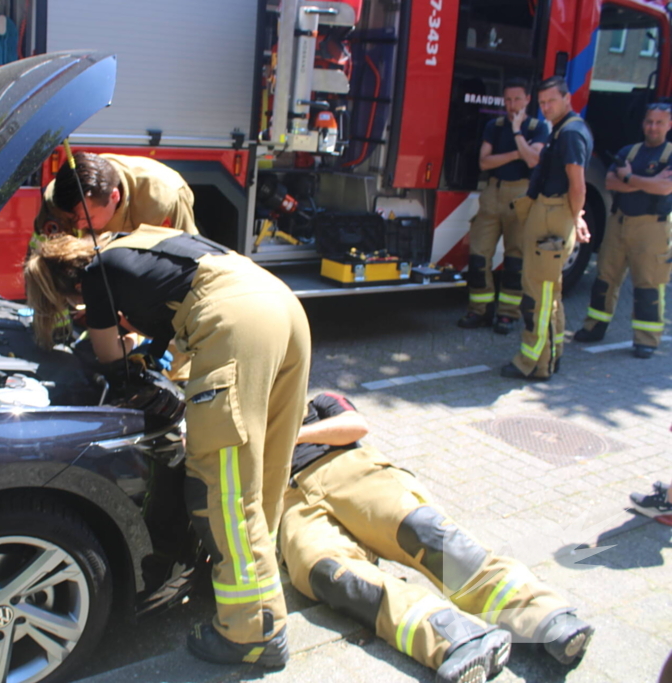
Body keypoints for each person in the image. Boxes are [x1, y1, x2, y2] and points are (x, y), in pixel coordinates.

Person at [24, 226, 311, 667]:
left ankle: (253, 633)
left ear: (68, 289)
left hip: (236, 324)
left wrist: (113, 353)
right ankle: (250, 592)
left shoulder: (95, 276)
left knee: (220, 485)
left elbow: (110, 357)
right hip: (282, 308)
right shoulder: (129, 241)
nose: (76, 310)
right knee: (263, 472)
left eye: (71, 306)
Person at [280, 392, 594, 683]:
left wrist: (288, 435)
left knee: (425, 534)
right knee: (327, 573)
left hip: (347, 469)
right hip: (289, 502)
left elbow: (355, 425)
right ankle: (453, 637)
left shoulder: (320, 402)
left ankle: (541, 615)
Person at [501, 75, 593, 381]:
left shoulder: (570, 135)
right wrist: (575, 217)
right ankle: (552, 356)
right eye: (541, 103)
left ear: (567, 98)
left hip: (552, 214)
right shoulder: (564, 130)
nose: (546, 107)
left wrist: (575, 216)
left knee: (537, 296)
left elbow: (578, 185)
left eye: (551, 100)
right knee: (549, 293)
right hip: (551, 211)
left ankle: (533, 364)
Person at [573, 102, 672, 359]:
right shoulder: (629, 151)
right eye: (649, 121)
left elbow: (665, 189)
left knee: (648, 284)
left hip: (653, 227)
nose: (653, 127)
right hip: (619, 223)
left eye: (659, 122)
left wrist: (629, 178)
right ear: (643, 123)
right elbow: (609, 181)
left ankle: (646, 340)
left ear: (669, 125)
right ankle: (594, 327)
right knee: (605, 278)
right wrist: (648, 183)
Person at [459, 79, 548, 335]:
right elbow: (484, 163)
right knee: (478, 256)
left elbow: (533, 160)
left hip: (521, 194)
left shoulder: (538, 127)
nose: (511, 105)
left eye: (517, 99)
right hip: (492, 193)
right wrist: (516, 153)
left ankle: (508, 315)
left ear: (528, 99)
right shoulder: (494, 126)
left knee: (515, 259)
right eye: (507, 100)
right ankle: (480, 310)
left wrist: (518, 132)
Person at [31, 151, 197, 243]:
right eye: (72, 218)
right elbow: (44, 261)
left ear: (114, 196)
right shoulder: (57, 198)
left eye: (87, 219)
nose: (79, 226)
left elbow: (190, 258)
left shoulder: (165, 199)